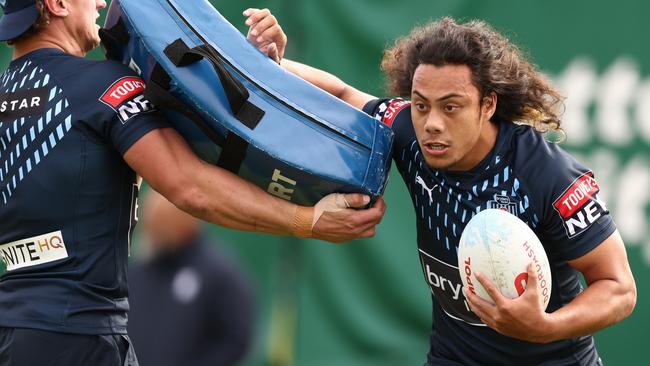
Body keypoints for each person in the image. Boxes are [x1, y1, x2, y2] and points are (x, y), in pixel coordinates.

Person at [0, 1, 386, 365]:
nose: (100, 4)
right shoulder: (102, 84)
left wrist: (255, 69)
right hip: (78, 335)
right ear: (57, 4)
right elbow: (191, 186)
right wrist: (308, 220)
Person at [244, 9, 638, 365]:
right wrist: (268, 65)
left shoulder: (547, 176)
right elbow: (343, 94)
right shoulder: (410, 134)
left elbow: (619, 288)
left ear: (487, 105)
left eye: (451, 106)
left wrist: (546, 327)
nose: (432, 122)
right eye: (420, 104)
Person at [128, 189, 254, 366]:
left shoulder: (219, 274)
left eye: (161, 228)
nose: (152, 237)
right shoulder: (138, 273)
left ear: (187, 222)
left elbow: (236, 339)